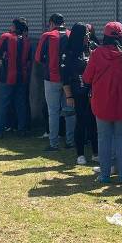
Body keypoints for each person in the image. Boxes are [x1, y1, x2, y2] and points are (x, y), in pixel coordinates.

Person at [82, 22, 122, 184]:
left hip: (102, 102)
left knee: (104, 139)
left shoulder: (97, 53)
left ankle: (105, 175)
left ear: (105, 35)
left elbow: (87, 78)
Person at [36, 13, 74, 151]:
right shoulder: (71, 34)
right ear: (64, 22)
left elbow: (39, 57)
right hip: (69, 79)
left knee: (53, 112)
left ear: (51, 23)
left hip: (52, 78)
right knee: (69, 111)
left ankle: (54, 143)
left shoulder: (47, 35)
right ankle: (70, 141)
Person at [62, 23, 98, 164]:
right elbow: (64, 77)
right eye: (85, 34)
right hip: (78, 91)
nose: (88, 37)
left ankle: (95, 152)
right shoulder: (69, 52)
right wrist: (69, 95)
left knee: (93, 122)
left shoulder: (92, 47)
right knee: (81, 121)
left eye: (88, 34)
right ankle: (80, 154)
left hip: (94, 92)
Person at [0, 18, 32, 138]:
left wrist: (4, 58)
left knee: (3, 103)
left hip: (7, 75)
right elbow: (29, 61)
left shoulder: (6, 36)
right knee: (20, 104)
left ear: (14, 26)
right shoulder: (27, 41)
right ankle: (22, 129)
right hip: (22, 77)